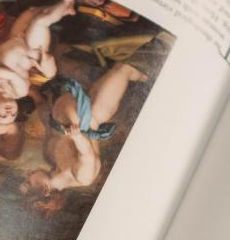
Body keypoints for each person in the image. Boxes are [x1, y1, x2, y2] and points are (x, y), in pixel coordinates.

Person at [20, 62, 147, 202]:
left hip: (70, 90)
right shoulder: (82, 178)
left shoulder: (48, 157)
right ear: (45, 190)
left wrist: (36, 97)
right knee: (124, 69)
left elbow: (47, 123)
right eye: (28, 182)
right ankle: (148, 79)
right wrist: (77, 137)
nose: (27, 175)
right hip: (94, 109)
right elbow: (87, 154)